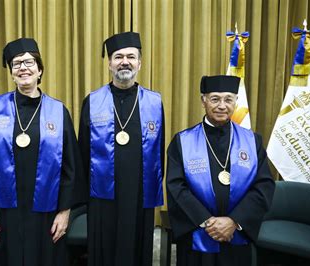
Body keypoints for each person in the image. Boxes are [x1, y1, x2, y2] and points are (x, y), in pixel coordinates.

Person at [0, 38, 79, 266]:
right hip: (3, 214)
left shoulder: (57, 111)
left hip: (46, 214)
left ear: (40, 69)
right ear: (11, 73)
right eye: (16, 64)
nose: (23, 68)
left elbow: (71, 166)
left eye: (28, 62)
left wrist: (65, 213)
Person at [166, 75, 275, 266]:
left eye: (228, 99)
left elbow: (263, 185)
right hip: (197, 234)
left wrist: (234, 221)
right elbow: (176, 187)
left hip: (237, 235)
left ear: (235, 102)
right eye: (215, 99)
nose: (222, 106)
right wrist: (207, 222)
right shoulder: (183, 141)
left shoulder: (252, 141)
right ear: (203, 101)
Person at [78, 31, 165, 266]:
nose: (124, 61)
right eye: (118, 57)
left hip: (139, 192)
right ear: (109, 64)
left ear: (139, 63)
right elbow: (82, 153)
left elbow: (158, 153)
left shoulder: (154, 102)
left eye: (130, 56)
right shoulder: (93, 101)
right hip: (101, 195)